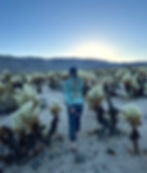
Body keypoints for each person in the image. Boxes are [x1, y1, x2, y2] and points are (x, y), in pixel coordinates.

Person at [63, 67, 84, 152]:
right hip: (80, 104)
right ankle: (76, 133)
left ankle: (73, 144)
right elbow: (81, 92)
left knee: (72, 123)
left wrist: (70, 106)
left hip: (72, 105)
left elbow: (66, 96)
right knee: (78, 119)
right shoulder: (80, 81)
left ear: (69, 73)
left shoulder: (66, 83)